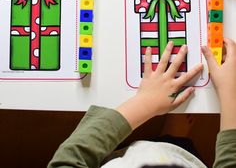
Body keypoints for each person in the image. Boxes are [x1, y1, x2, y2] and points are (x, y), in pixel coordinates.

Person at [47, 39, 236, 168]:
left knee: (153, 147)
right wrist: (230, 92)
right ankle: (174, 139)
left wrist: (145, 103)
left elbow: (70, 157)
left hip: (126, 159)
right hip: (184, 160)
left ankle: (170, 138)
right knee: (177, 147)